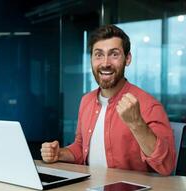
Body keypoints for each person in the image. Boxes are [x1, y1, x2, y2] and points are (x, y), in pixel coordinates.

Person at [41, 24, 176, 176]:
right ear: (91, 59)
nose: (105, 63)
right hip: (88, 189)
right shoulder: (86, 101)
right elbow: (81, 147)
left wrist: (136, 123)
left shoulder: (149, 105)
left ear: (128, 59)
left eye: (114, 54)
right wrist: (59, 154)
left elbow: (166, 165)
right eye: (98, 55)